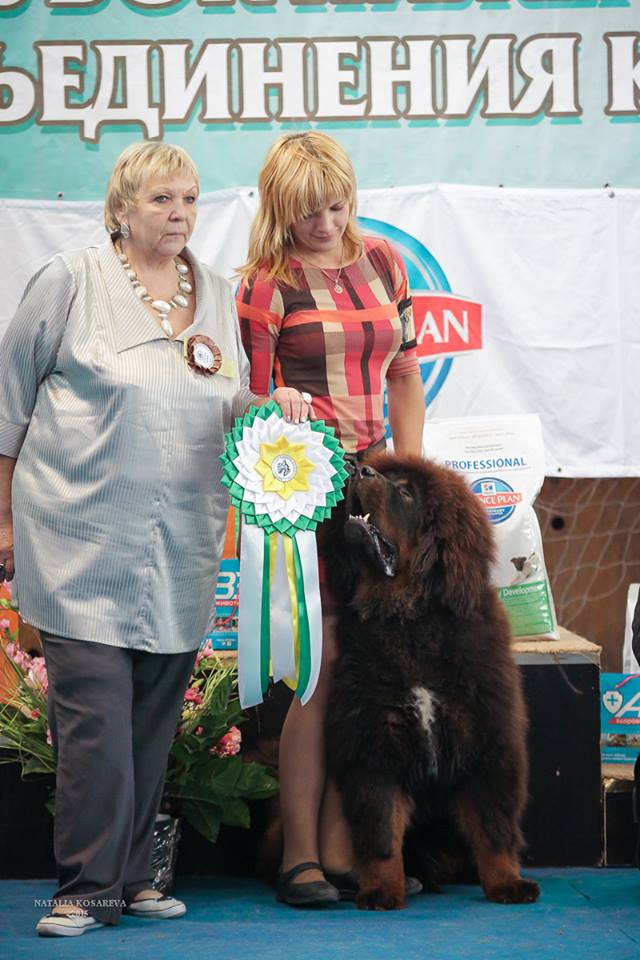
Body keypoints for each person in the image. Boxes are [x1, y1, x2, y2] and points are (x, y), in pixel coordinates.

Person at [0, 141, 309, 937]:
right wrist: (1, 520)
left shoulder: (216, 293)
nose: (179, 214)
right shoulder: (69, 280)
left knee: (151, 721)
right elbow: (9, 404)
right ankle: (86, 890)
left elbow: (226, 397)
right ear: (121, 208)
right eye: (161, 199)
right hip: (76, 539)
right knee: (96, 723)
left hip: (179, 542)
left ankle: (134, 879)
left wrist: (269, 409)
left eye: (190, 199)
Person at [236, 132, 425, 906]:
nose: (325, 223)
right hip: (305, 489)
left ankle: (352, 848)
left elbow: (405, 373)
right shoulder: (265, 283)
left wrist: (411, 476)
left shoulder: (385, 261)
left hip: (380, 483)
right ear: (281, 209)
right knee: (318, 670)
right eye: (308, 212)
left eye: (337, 206)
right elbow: (248, 398)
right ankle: (299, 858)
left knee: (372, 670)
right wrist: (273, 399)